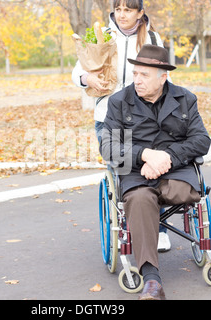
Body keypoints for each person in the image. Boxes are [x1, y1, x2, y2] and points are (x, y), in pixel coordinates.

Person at [100, 44, 211, 300]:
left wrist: (167, 158)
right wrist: (145, 155)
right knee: (139, 200)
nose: (137, 80)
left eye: (144, 75)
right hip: (137, 173)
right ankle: (152, 280)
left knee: (186, 191)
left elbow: (201, 140)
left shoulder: (185, 98)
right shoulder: (119, 102)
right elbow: (108, 146)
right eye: (135, 74)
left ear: (163, 77)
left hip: (176, 172)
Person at [71, 0, 172, 251]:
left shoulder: (152, 39)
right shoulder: (101, 35)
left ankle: (157, 229)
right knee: (122, 170)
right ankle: (126, 225)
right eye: (118, 9)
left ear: (140, 13)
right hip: (109, 115)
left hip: (146, 118)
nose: (122, 14)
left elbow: (166, 77)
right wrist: (89, 77)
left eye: (128, 9)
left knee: (150, 170)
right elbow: (77, 72)